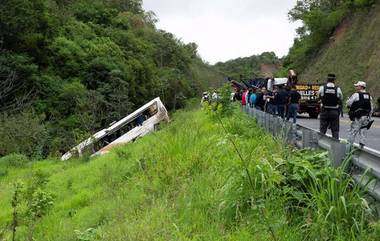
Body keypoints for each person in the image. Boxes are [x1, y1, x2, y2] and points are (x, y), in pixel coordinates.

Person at [347, 81, 373, 148]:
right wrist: (369, 118)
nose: (356, 87)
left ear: (361, 87)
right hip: (366, 117)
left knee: (352, 132)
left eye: (357, 86)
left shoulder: (356, 95)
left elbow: (349, 103)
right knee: (363, 133)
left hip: (358, 117)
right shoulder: (369, 96)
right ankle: (361, 148)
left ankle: (348, 148)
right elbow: (371, 108)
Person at [318, 74, 343, 140]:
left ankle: (321, 143)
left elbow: (318, 96)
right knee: (335, 130)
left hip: (324, 110)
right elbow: (341, 98)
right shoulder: (338, 89)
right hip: (334, 111)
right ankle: (336, 145)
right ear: (334, 80)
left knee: (322, 129)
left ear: (327, 80)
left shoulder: (322, 88)